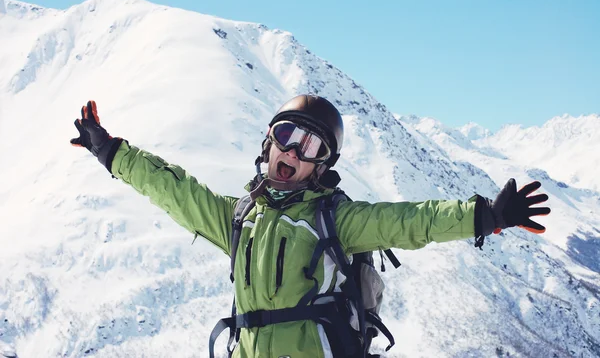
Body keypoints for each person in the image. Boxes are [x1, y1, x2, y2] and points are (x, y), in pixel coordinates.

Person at [70, 95, 551, 358]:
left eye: (311, 148)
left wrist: (487, 215)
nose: (294, 153)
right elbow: (173, 189)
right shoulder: (238, 218)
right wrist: (110, 151)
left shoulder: (337, 220)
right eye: (286, 136)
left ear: (321, 167)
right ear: (268, 142)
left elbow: (410, 221)